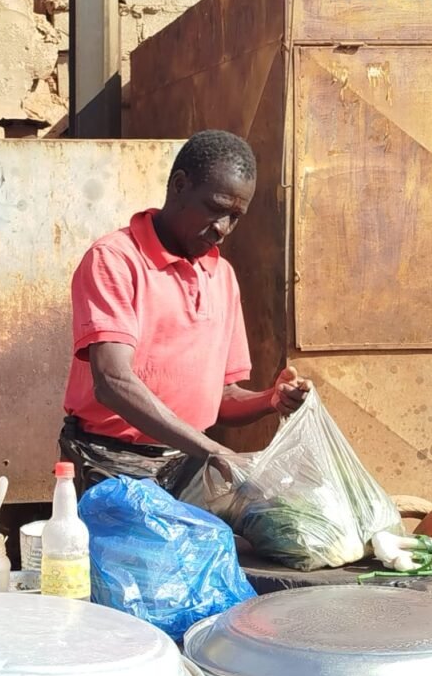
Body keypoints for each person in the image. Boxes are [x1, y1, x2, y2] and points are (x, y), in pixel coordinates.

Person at [60, 130, 311, 495]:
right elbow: (112, 381)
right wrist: (213, 451)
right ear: (179, 185)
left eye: (235, 217)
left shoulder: (221, 276)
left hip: (188, 464)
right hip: (112, 466)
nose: (222, 229)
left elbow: (220, 398)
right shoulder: (115, 260)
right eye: (215, 208)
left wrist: (270, 399)